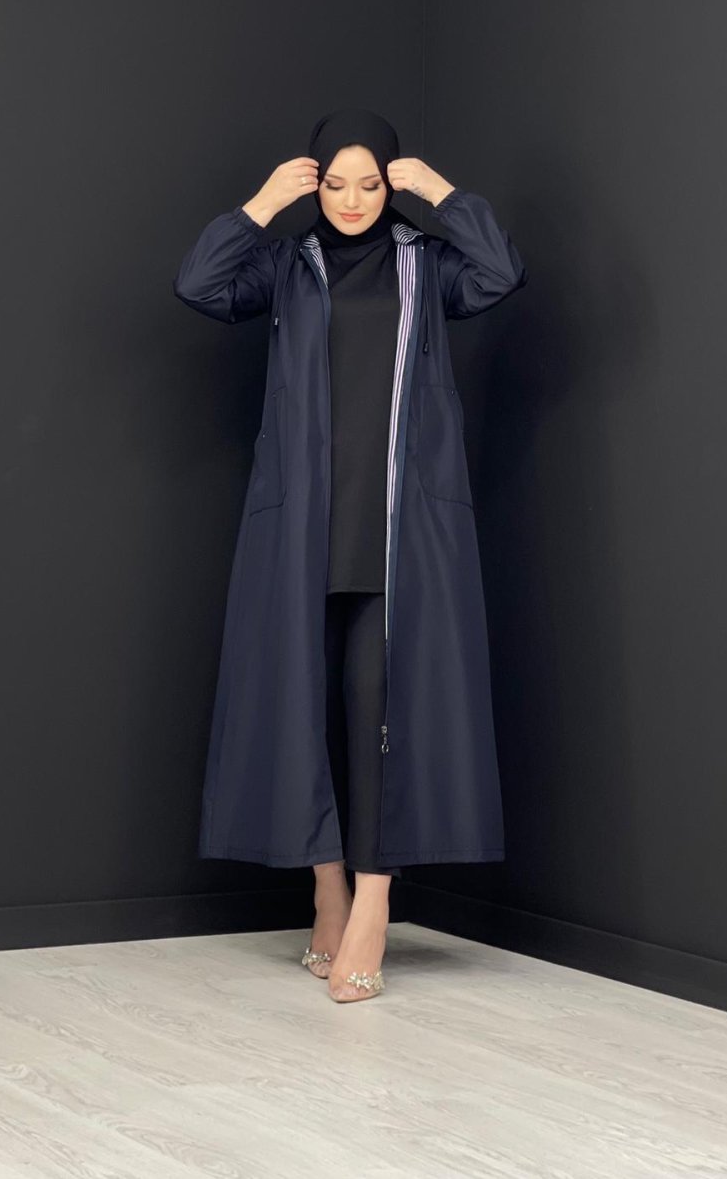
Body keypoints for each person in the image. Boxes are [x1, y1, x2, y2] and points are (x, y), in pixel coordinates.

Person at [173, 107, 527, 1002]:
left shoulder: (426, 262)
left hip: (401, 529)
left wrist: (442, 195)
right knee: (300, 713)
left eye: (372, 183)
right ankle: (326, 886)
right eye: (335, 183)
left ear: (392, 182)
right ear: (314, 182)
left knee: (382, 716)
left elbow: (500, 271)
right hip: (301, 529)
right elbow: (198, 284)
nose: (354, 199)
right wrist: (260, 206)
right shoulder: (287, 265)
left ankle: (374, 901)